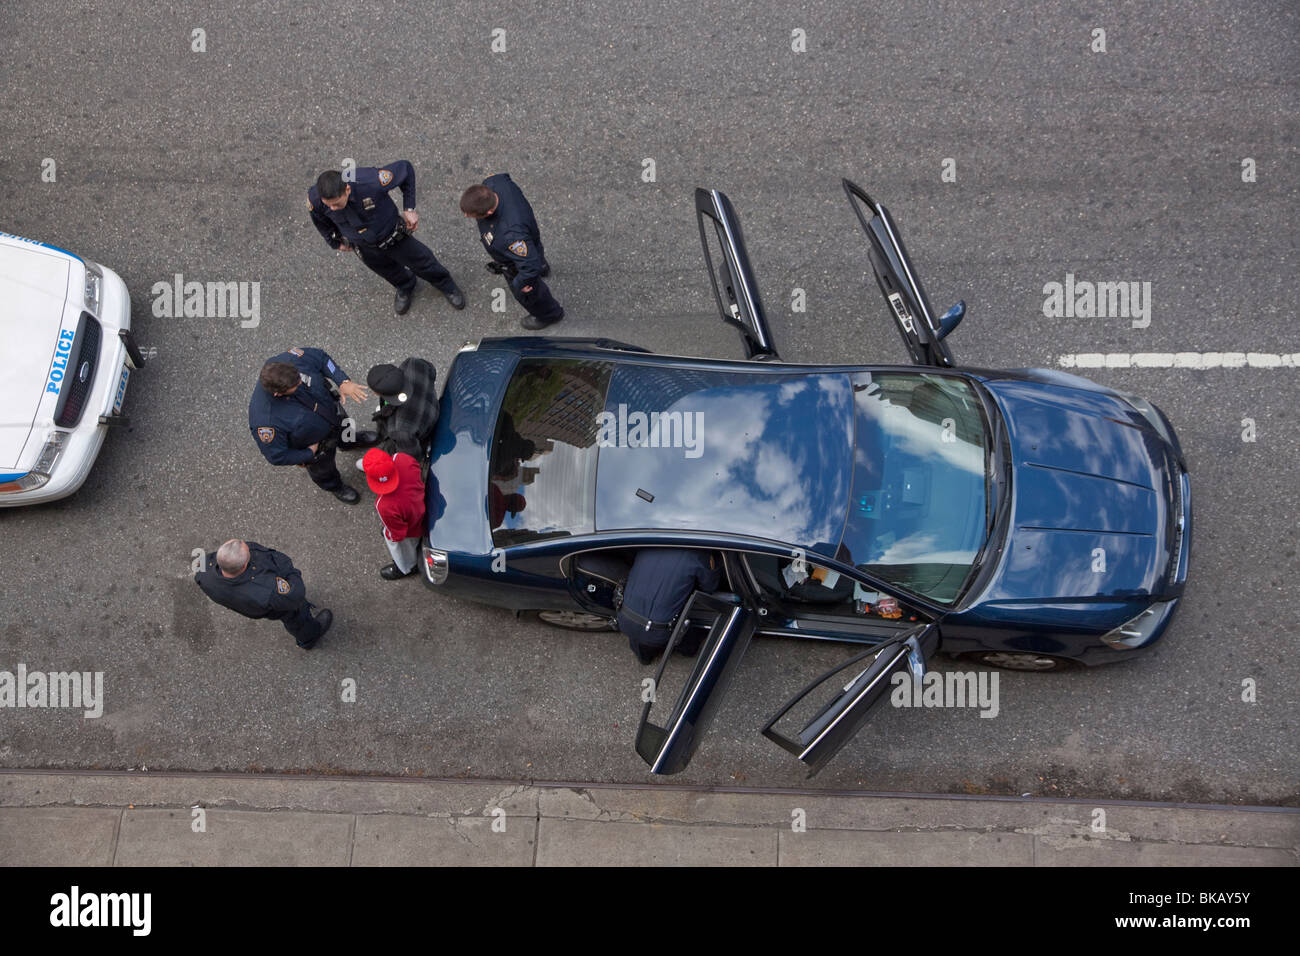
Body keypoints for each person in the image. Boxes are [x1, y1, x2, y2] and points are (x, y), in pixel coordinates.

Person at [309, 162, 466, 316]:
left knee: (423, 262)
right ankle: (405, 286)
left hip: (392, 236)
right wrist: (335, 243)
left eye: (336, 204)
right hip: (364, 246)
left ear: (347, 189)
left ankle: (445, 284)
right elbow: (320, 220)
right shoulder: (316, 198)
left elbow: (405, 168)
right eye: (328, 205)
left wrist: (409, 208)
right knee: (387, 271)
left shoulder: (371, 181)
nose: (332, 209)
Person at [249, 347, 377, 504]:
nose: (301, 383)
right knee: (324, 471)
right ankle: (335, 486)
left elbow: (322, 359)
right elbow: (277, 455)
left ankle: (350, 442)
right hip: (317, 444)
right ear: (278, 393)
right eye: (296, 386)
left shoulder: (291, 361)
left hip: (334, 414)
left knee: (346, 430)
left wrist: (342, 381)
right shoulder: (265, 421)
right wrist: (308, 454)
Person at [460, 173, 563, 330]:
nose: (466, 216)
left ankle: (549, 314)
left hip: (515, 262)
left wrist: (521, 283)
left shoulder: (511, 236)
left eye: (470, 214)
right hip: (531, 239)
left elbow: (528, 264)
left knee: (529, 293)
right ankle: (543, 267)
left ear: (488, 214)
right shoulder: (495, 183)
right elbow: (500, 176)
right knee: (536, 255)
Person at [195, 540, 332, 649]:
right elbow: (295, 596)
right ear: (243, 567)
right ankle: (309, 638)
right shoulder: (268, 589)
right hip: (272, 605)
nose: (249, 546)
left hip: (244, 604)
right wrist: (291, 573)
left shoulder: (204, 569)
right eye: (249, 552)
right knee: (296, 617)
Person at [616, 549, 722, 664]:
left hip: (624, 619)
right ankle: (683, 648)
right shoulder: (699, 554)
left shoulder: (652, 540)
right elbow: (709, 588)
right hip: (659, 631)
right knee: (690, 647)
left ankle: (645, 656)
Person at [361, 448, 427, 580]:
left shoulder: (384, 505)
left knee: (399, 546)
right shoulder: (403, 458)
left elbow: (398, 534)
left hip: (412, 529)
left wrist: (388, 533)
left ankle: (407, 568)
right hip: (424, 507)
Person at [364, 358, 440, 461]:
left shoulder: (399, 430)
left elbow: (411, 458)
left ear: (377, 393)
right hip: (431, 407)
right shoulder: (413, 363)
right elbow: (432, 371)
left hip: (420, 432)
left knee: (391, 450)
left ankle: (382, 462)